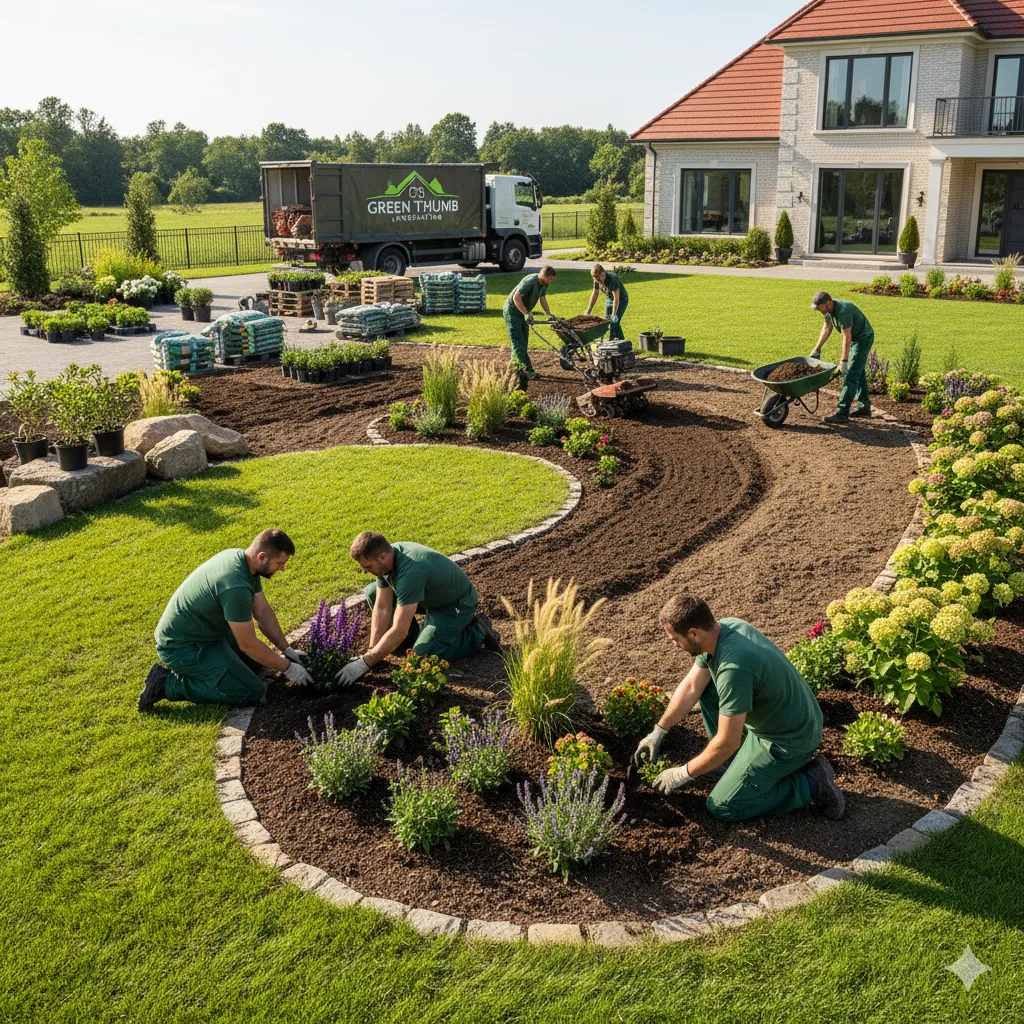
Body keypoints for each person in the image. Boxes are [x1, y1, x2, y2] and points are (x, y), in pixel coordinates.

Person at [633, 594, 844, 822]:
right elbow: (692, 686)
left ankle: (812, 782)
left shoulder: (733, 669)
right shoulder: (726, 628)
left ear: (693, 633)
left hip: (788, 742)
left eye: (675, 638)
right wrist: (659, 731)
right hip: (786, 718)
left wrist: (682, 773)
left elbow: (727, 741)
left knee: (722, 806)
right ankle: (733, 764)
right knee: (706, 687)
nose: (674, 644)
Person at [138, 529, 313, 711]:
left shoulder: (244, 562)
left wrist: (287, 649)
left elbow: (262, 612)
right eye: (280, 563)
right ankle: (167, 684)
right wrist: (288, 668)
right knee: (250, 691)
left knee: (257, 664)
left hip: (208, 633)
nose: (282, 568)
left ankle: (219, 667)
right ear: (262, 557)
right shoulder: (235, 585)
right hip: (183, 646)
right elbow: (248, 645)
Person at [335, 531, 502, 686]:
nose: (365, 571)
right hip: (430, 596)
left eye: (367, 566)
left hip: (455, 605)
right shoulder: (387, 560)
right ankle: (411, 640)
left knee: (424, 657)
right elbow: (382, 606)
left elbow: (399, 630)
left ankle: (477, 632)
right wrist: (371, 652)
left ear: (382, 556)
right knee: (372, 592)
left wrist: (364, 663)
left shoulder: (410, 572)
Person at [809, 290, 875, 424]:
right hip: (855, 338)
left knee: (850, 374)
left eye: (819, 307)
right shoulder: (828, 311)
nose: (818, 310)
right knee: (858, 371)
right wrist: (817, 348)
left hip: (863, 338)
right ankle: (864, 407)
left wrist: (843, 361)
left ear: (828, 303)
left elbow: (847, 337)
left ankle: (842, 412)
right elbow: (827, 327)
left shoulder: (843, 312)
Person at [502, 265, 557, 379]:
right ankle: (528, 370)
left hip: (523, 313)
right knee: (518, 342)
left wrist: (549, 314)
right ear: (545, 276)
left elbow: (543, 299)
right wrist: (526, 313)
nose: (551, 282)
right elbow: (516, 297)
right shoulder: (530, 281)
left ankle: (514, 367)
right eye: (550, 279)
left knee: (523, 342)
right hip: (512, 312)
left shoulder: (544, 284)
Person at [584, 263, 628, 341]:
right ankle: (614, 340)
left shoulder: (612, 279)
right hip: (609, 298)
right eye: (594, 278)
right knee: (606, 322)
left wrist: (614, 314)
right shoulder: (597, 279)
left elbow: (616, 298)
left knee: (614, 322)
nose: (597, 280)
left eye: (597, 278)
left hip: (621, 300)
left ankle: (621, 342)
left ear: (603, 274)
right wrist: (588, 310)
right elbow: (595, 294)